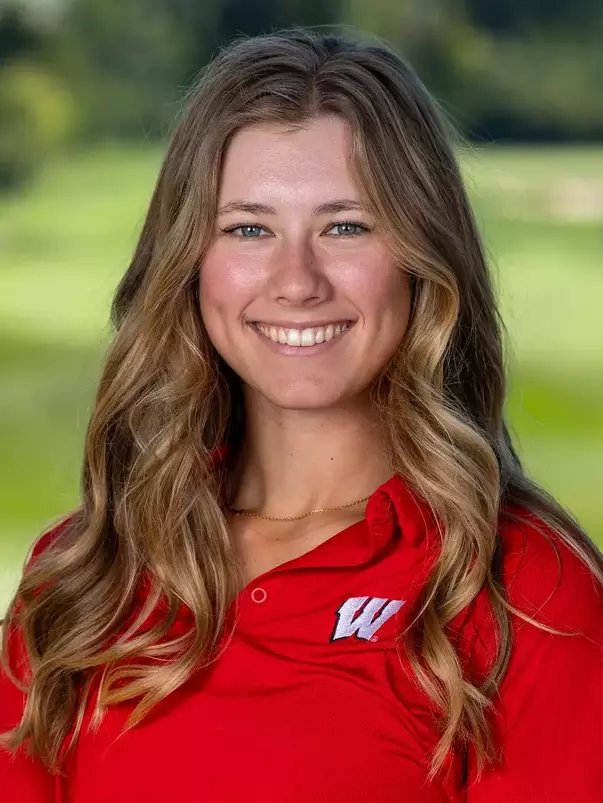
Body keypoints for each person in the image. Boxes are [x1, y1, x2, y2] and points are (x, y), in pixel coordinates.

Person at [1, 27, 602, 803]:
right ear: (190, 262)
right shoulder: (87, 574)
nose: (296, 280)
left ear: (422, 257)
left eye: (346, 226)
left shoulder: (523, 592)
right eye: (248, 228)